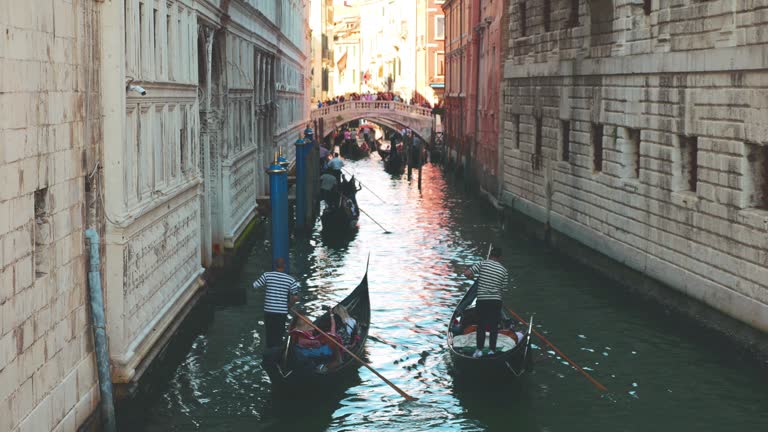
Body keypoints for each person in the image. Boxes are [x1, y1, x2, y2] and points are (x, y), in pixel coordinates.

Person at [463, 247, 508, 358]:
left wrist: (472, 276)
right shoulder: (504, 270)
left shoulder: (483, 264)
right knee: (494, 326)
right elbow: (504, 289)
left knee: (481, 326)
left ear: (490, 255)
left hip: (482, 300)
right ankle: (492, 351)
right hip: (496, 302)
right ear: (500, 257)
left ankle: (479, 350)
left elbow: (467, 273)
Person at [252, 258, 301, 349]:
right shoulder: (290, 280)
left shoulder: (267, 275)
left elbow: (255, 285)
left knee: (269, 334)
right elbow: (295, 297)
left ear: (275, 265)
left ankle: (269, 353)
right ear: (285, 266)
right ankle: (277, 353)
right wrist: (289, 305)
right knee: (278, 335)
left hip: (269, 310)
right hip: (282, 311)